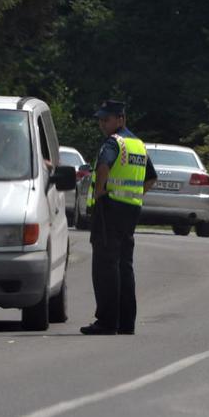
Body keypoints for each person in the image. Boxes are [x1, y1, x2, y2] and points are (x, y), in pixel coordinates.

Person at [81, 100, 156, 335]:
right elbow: (151, 178)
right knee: (124, 265)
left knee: (105, 266)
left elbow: (104, 165)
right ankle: (125, 322)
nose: (102, 124)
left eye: (107, 119)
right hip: (130, 210)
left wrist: (100, 191)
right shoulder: (138, 145)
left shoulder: (114, 142)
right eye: (101, 120)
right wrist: (135, 195)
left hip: (109, 208)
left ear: (121, 119)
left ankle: (106, 321)